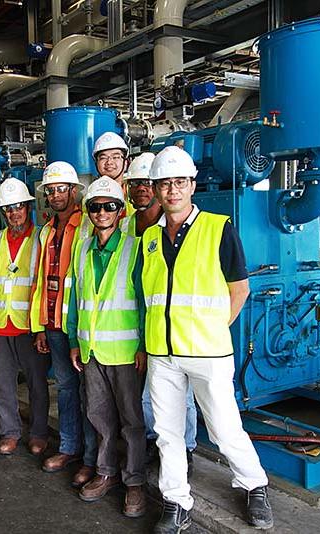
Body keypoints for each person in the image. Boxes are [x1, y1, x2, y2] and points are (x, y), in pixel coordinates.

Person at [140, 147, 273, 532]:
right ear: (157, 189)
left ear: (192, 185)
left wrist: (214, 329)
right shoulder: (149, 237)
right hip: (162, 352)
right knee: (168, 433)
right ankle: (176, 501)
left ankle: (254, 484)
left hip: (207, 352)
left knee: (224, 430)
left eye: (179, 182)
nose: (172, 190)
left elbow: (240, 290)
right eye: (165, 184)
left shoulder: (219, 228)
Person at [64, 177, 147, 518]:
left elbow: (144, 301)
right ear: (88, 212)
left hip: (127, 352)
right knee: (98, 416)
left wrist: (143, 344)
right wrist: (72, 339)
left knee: (131, 421)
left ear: (120, 210)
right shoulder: (82, 248)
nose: (101, 212)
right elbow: (74, 298)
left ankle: (135, 482)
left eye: (109, 206)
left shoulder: (134, 247)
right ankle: (105, 472)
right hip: (90, 351)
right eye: (95, 207)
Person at [123, 152, 198, 471]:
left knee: (186, 395)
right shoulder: (130, 224)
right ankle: (158, 442)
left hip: (182, 327)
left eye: (146, 183)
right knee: (149, 394)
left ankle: (188, 447)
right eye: (136, 183)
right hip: (144, 318)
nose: (142, 188)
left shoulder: (179, 225)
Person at [30, 161, 98, 487]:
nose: (56, 195)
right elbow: (41, 280)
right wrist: (41, 325)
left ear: (74, 191)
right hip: (55, 322)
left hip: (82, 323)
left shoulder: (87, 223)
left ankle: (93, 458)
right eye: (51, 190)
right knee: (67, 389)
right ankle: (70, 447)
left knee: (91, 392)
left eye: (61, 189)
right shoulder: (45, 230)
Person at [0, 178, 50, 456]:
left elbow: (45, 282)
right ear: (3, 212)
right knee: (1, 382)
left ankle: (38, 433)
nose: (14, 213)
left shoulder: (41, 238)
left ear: (29, 208)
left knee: (37, 383)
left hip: (30, 326)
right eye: (8, 209)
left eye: (19, 206)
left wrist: (42, 325)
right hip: (1, 324)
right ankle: (9, 432)